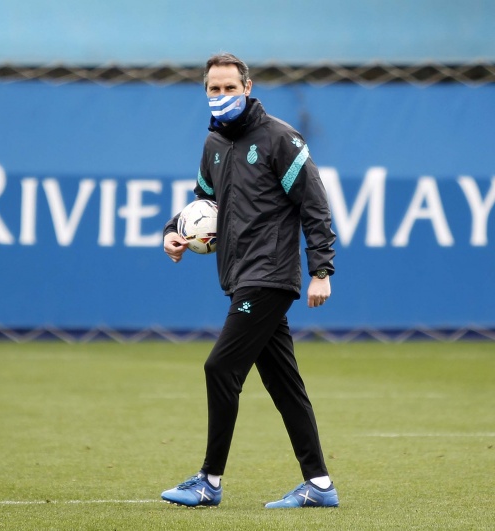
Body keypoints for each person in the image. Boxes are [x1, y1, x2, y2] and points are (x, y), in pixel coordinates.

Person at [160, 52, 339, 509]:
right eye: (213, 89)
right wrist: (173, 232)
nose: (221, 96)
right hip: (240, 277)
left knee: (220, 368)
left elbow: (315, 204)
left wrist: (321, 270)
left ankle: (209, 480)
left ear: (247, 87)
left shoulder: (281, 138)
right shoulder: (213, 144)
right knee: (284, 384)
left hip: (270, 274)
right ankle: (319, 485)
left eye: (229, 88)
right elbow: (203, 203)